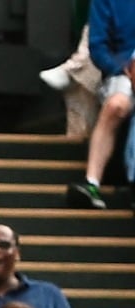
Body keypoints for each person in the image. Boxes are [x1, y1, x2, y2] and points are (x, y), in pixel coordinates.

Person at [64, 0, 135, 209]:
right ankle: (91, 182)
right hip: (121, 72)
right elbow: (98, 47)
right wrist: (122, 69)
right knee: (116, 105)